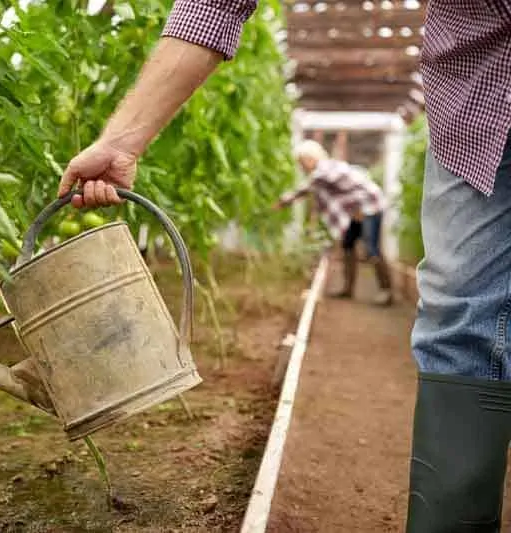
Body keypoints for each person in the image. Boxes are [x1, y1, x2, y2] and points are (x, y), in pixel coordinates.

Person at [57, 2, 511, 532]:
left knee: (372, 256)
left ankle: (379, 285)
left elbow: (321, 193)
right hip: (479, 101)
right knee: (457, 315)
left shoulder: (331, 171)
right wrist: (122, 138)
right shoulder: (322, 176)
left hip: (370, 208)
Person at [272, 139, 393, 306]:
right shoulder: (324, 171)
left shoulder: (325, 169)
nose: (301, 167)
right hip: (356, 210)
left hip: (369, 206)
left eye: (301, 162)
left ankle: (386, 292)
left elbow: (309, 187)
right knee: (348, 245)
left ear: (310, 158)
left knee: (371, 247)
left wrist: (285, 200)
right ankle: (348, 289)